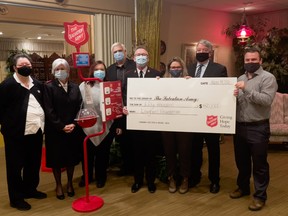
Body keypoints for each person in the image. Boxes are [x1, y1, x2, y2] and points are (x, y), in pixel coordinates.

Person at [231, 47, 277, 211]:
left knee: (259, 164)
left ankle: (259, 196)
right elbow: (238, 103)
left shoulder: (268, 78)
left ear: (260, 61)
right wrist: (234, 96)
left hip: (258, 127)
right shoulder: (240, 78)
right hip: (240, 127)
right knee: (241, 161)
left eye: (253, 60)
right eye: (247, 60)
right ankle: (243, 188)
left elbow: (266, 100)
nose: (250, 62)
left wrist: (246, 89)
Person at [0, 53, 47, 211]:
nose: (26, 67)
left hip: (36, 132)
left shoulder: (38, 85)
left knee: (33, 164)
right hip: (15, 135)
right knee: (15, 167)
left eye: (28, 64)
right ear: (15, 67)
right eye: (21, 65)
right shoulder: (7, 86)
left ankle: (30, 189)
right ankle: (16, 198)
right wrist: (8, 127)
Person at [187, 39, 227, 193]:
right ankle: (195, 177)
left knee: (213, 150)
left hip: (211, 117)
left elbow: (223, 92)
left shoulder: (219, 69)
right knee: (195, 149)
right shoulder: (189, 69)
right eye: (199, 49)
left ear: (210, 53)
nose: (201, 52)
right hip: (194, 116)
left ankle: (214, 180)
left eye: (204, 50)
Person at [43, 58, 84, 200]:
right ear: (53, 72)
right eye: (57, 69)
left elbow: (80, 106)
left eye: (63, 69)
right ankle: (59, 185)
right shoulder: (48, 87)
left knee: (71, 158)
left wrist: (74, 123)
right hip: (55, 130)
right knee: (56, 159)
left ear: (68, 71)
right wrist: (61, 126)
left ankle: (70, 184)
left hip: (73, 129)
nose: (60, 71)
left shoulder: (75, 87)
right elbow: (48, 110)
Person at [123, 45, 161, 193]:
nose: (141, 57)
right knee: (137, 153)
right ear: (133, 58)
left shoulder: (156, 74)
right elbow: (124, 94)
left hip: (151, 121)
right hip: (134, 120)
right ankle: (138, 181)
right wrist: (124, 106)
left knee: (151, 153)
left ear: (148, 58)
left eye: (144, 54)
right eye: (138, 54)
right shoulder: (128, 74)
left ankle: (151, 181)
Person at [78, 60, 122, 188]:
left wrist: (118, 125)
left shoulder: (110, 86)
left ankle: (101, 177)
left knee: (103, 154)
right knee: (87, 155)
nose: (99, 72)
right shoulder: (84, 85)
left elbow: (117, 106)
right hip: (88, 126)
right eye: (97, 69)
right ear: (92, 71)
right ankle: (86, 176)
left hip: (106, 125)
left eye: (102, 69)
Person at [162, 57, 193, 194]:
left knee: (185, 152)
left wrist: (192, 84)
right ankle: (171, 178)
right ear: (169, 69)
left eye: (178, 67)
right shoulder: (162, 82)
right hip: (167, 123)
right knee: (169, 152)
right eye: (173, 68)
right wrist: (156, 84)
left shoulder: (190, 82)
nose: (175, 70)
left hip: (185, 123)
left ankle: (185, 178)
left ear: (182, 68)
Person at [106, 42, 136, 176]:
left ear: (125, 51)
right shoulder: (109, 70)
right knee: (122, 141)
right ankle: (126, 167)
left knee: (134, 140)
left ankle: (135, 167)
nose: (117, 53)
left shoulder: (134, 66)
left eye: (120, 51)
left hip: (133, 109)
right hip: (118, 112)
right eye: (114, 52)